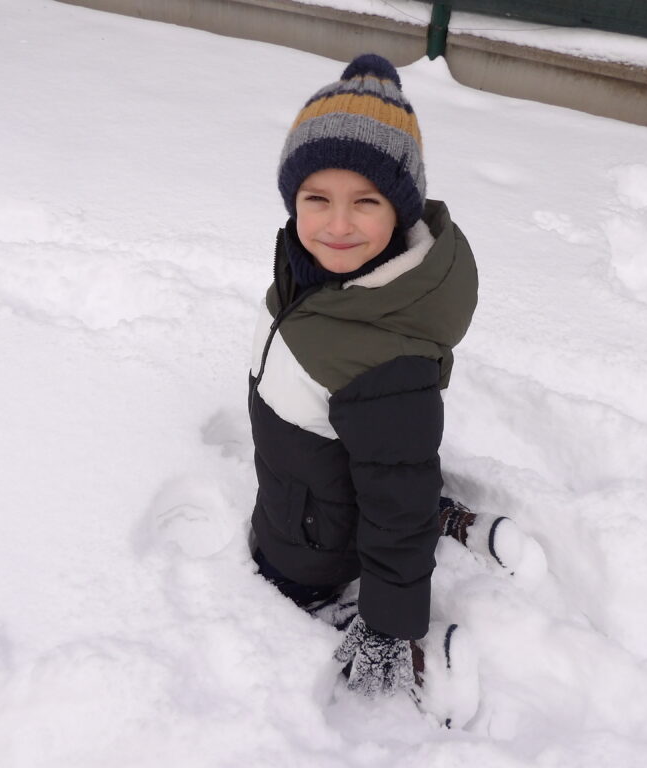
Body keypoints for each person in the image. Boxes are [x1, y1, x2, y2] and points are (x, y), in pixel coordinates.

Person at [248, 53, 525, 711]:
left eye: (365, 202)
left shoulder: (382, 350)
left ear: (399, 212)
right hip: (311, 494)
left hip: (313, 550)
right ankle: (435, 518)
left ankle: (396, 636)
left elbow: (395, 492)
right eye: (317, 199)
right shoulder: (321, 277)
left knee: (295, 580)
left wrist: (388, 622)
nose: (337, 225)